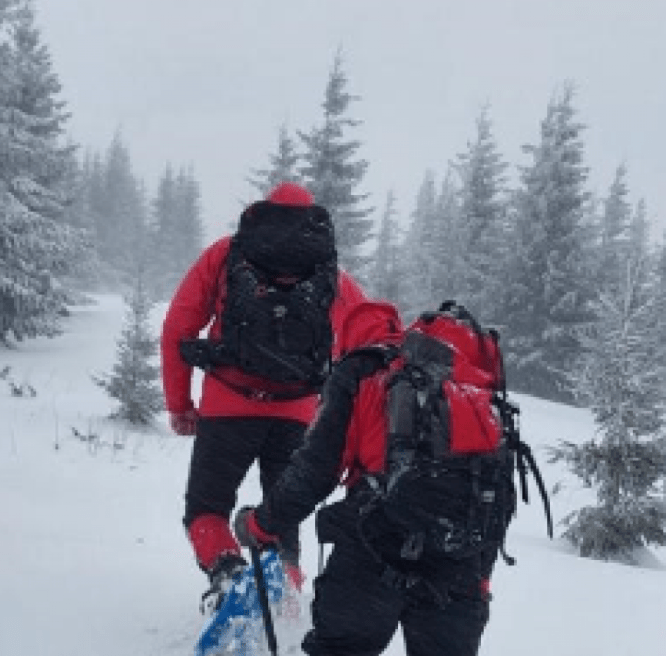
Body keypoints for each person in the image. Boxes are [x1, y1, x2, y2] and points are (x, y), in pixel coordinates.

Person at [233, 300, 496, 656]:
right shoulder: (473, 390)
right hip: (457, 569)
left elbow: (314, 471)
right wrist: (480, 576)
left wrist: (261, 525)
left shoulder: (361, 371)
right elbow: (493, 494)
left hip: (371, 554)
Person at [160, 181, 366, 611]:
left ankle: (228, 572)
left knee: (207, 508)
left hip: (227, 405)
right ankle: (285, 588)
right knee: (281, 515)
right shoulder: (331, 274)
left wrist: (180, 405)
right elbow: (365, 350)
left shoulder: (226, 256)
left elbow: (178, 328)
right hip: (299, 415)